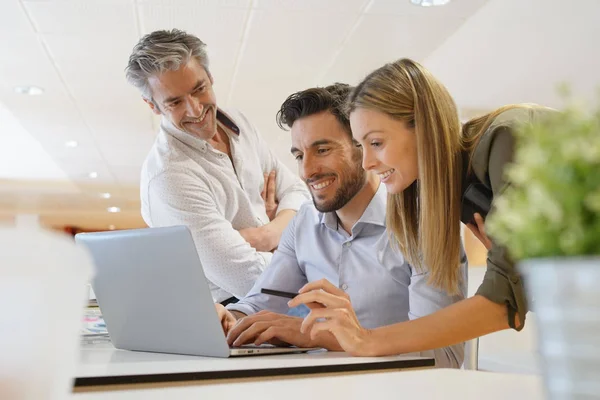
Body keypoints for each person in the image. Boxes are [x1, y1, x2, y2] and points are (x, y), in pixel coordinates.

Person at [289, 58, 552, 356]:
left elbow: (504, 305)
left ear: (422, 127)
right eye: (363, 146)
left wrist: (365, 339)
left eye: (376, 143)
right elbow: (528, 289)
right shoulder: (456, 194)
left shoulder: (507, 137)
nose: (367, 164)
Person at [216, 83, 467, 368]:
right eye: (299, 155)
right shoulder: (303, 223)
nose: (307, 171)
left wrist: (327, 337)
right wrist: (229, 318)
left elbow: (444, 357)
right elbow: (264, 303)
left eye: (322, 150)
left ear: (364, 147)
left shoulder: (424, 226)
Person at [125, 29, 310, 304]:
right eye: (174, 102)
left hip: (281, 292)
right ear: (152, 105)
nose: (195, 110)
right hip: (230, 309)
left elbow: (299, 192)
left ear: (210, 78)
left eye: (199, 89)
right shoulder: (169, 176)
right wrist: (290, 236)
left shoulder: (239, 123)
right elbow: (247, 277)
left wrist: (265, 235)